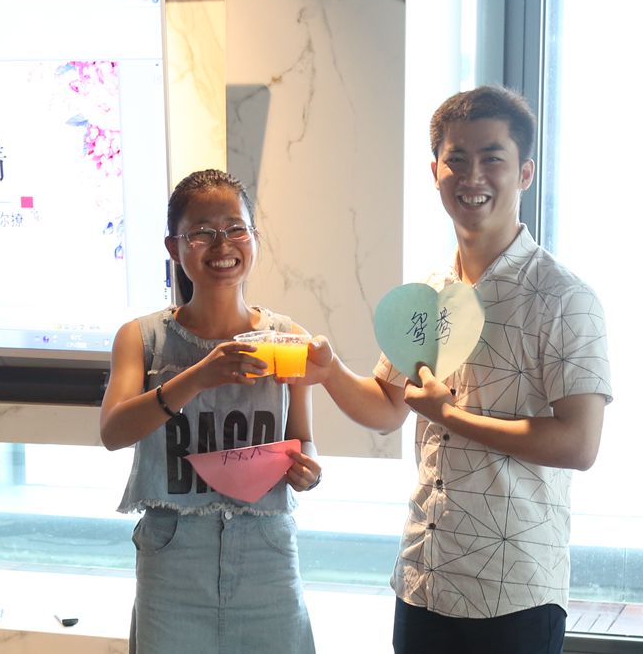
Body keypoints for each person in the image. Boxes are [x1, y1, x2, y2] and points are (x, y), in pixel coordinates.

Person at [300, 85, 612, 653]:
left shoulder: (565, 298)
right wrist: (329, 371)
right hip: (425, 577)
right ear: (435, 172)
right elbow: (388, 406)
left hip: (514, 589)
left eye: (492, 158)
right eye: (457, 159)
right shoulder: (428, 294)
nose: (472, 177)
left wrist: (451, 416)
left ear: (525, 173)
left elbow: (579, 444)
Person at [100, 168, 321, 654]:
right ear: (174, 247)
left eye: (235, 228)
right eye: (201, 232)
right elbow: (114, 432)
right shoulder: (142, 338)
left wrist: (309, 468)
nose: (222, 245)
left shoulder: (289, 338)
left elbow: (301, 437)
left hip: (266, 552)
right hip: (173, 555)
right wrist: (198, 376)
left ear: (254, 237)